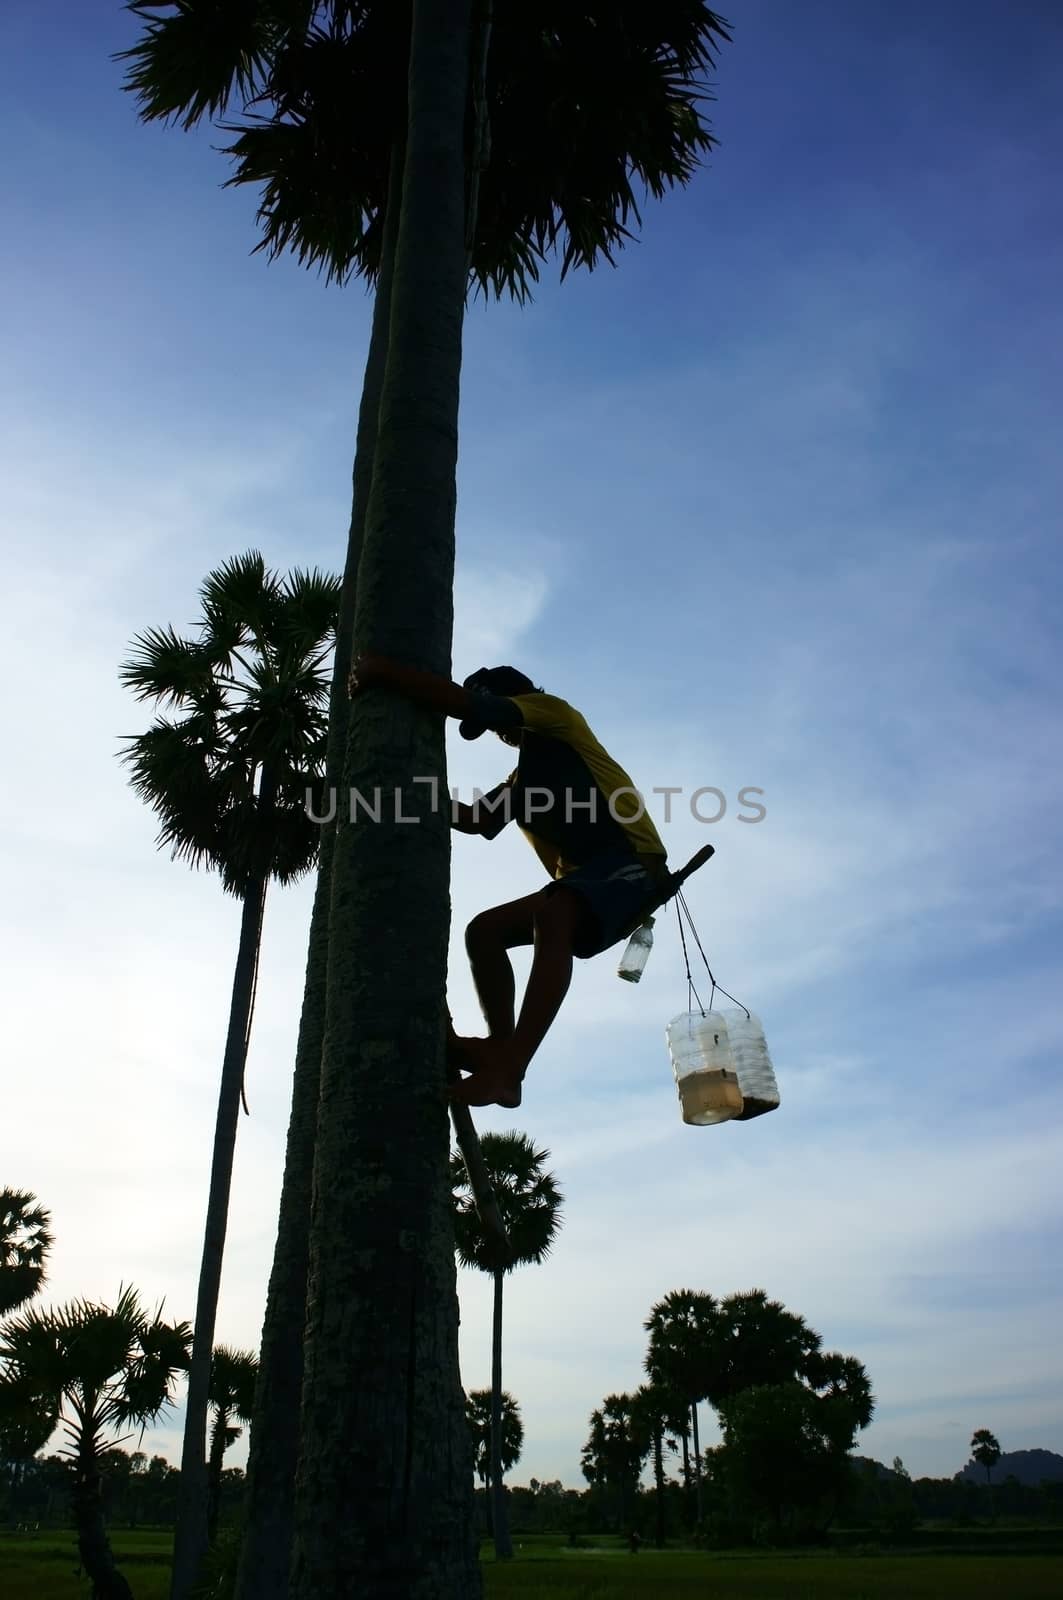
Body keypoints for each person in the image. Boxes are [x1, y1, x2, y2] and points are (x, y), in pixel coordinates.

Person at [348, 656, 668, 1109]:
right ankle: (500, 1048)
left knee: (554, 913)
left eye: (495, 720)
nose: (499, 735)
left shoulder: (554, 714)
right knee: (484, 932)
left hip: (632, 862)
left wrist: (384, 671)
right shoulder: (522, 779)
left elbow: (463, 705)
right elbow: (480, 819)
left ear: (509, 700)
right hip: (584, 882)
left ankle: (510, 1065)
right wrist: (410, 796)